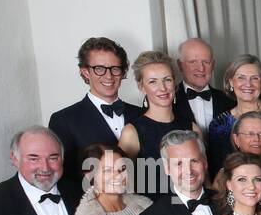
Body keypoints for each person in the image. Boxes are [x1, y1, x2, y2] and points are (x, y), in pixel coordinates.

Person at [48, 37, 143, 188]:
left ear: (123, 72)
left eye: (115, 68)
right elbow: (65, 178)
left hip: (145, 205)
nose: (108, 76)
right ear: (85, 72)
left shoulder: (142, 114)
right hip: (94, 207)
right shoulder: (64, 120)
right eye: (99, 68)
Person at [119, 50, 201, 198]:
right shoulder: (132, 132)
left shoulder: (192, 128)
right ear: (142, 87)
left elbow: (202, 178)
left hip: (190, 212)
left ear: (175, 83)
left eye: (167, 79)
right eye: (153, 81)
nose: (162, 88)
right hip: (153, 214)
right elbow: (123, 185)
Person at [208, 54, 261, 169]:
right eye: (241, 77)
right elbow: (217, 166)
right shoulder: (219, 123)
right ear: (231, 82)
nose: (248, 84)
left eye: (254, 78)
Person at [174, 37, 234, 133]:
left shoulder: (230, 100)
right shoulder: (167, 100)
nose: (201, 68)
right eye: (193, 62)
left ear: (213, 65)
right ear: (180, 65)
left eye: (206, 62)